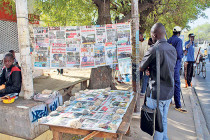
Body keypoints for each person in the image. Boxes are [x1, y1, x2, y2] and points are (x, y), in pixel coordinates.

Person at [140, 23, 177, 139]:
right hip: (168, 92)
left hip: (156, 93)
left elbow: (141, 66)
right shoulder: (172, 49)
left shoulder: (154, 49)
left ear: (155, 35)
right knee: (163, 121)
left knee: (157, 126)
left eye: (151, 35)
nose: (151, 37)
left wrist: (147, 68)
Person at [167, 26, 186, 113]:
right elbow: (178, 55)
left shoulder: (169, 40)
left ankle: (169, 101)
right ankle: (178, 104)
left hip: (167, 65)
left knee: (169, 83)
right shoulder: (179, 40)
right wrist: (182, 54)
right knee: (176, 84)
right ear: (179, 33)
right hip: (175, 66)